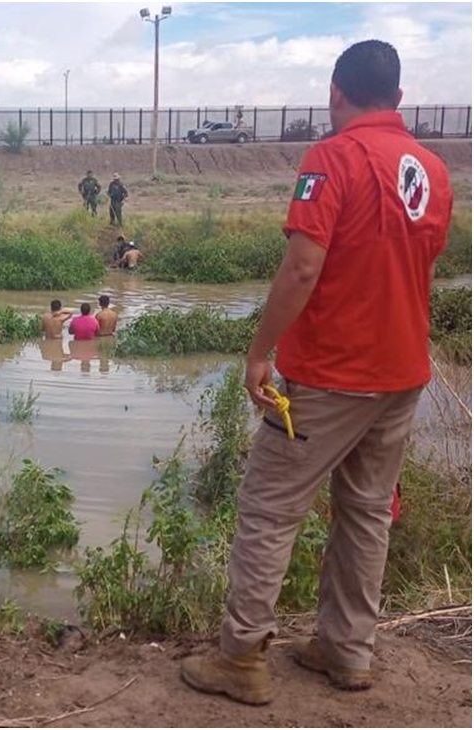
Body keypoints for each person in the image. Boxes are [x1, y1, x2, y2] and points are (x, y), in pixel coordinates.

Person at [181, 40, 452, 706]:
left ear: (336, 93)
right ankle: (346, 650)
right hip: (403, 374)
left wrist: (258, 352)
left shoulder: (331, 158)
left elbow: (303, 267)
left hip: (330, 374)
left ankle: (242, 656)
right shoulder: (434, 170)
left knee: (269, 508)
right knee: (364, 513)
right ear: (399, 98)